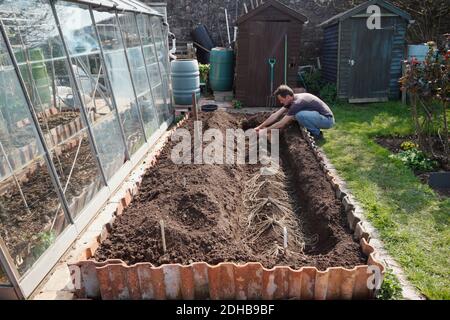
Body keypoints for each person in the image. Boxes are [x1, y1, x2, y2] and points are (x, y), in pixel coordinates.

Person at [255, 85, 335, 140]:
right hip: (319, 117)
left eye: (281, 100)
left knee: (299, 115)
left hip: (327, 120)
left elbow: (281, 123)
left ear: (287, 97)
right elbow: (276, 115)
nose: (281, 102)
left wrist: (265, 131)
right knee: (293, 116)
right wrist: (260, 127)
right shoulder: (292, 99)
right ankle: (313, 130)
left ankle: (317, 134)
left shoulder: (297, 103)